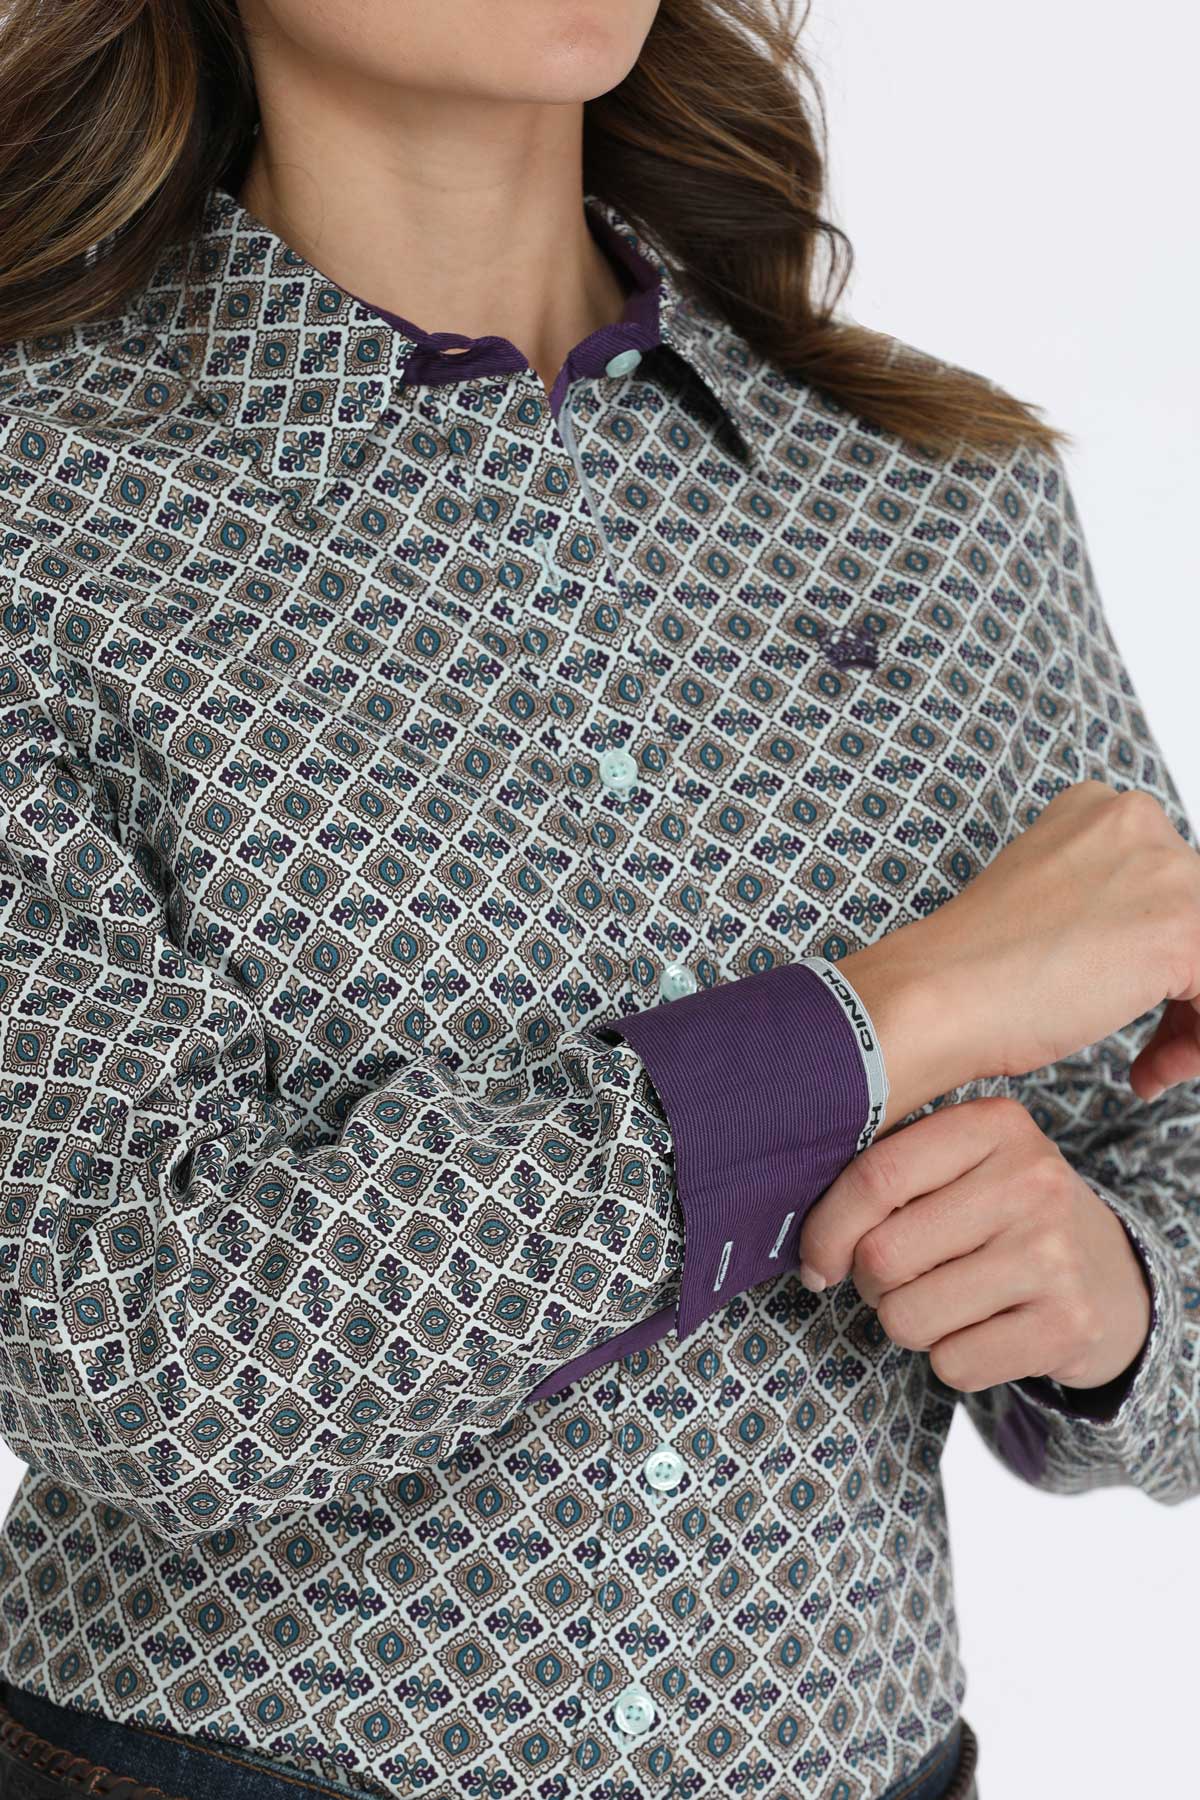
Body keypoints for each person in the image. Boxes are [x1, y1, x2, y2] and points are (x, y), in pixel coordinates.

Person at [0, 2, 1195, 1798]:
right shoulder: (40, 508)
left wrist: (1116, 1306)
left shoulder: (938, 498)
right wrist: (888, 1023)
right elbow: (137, 1346)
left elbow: (1163, 1121)